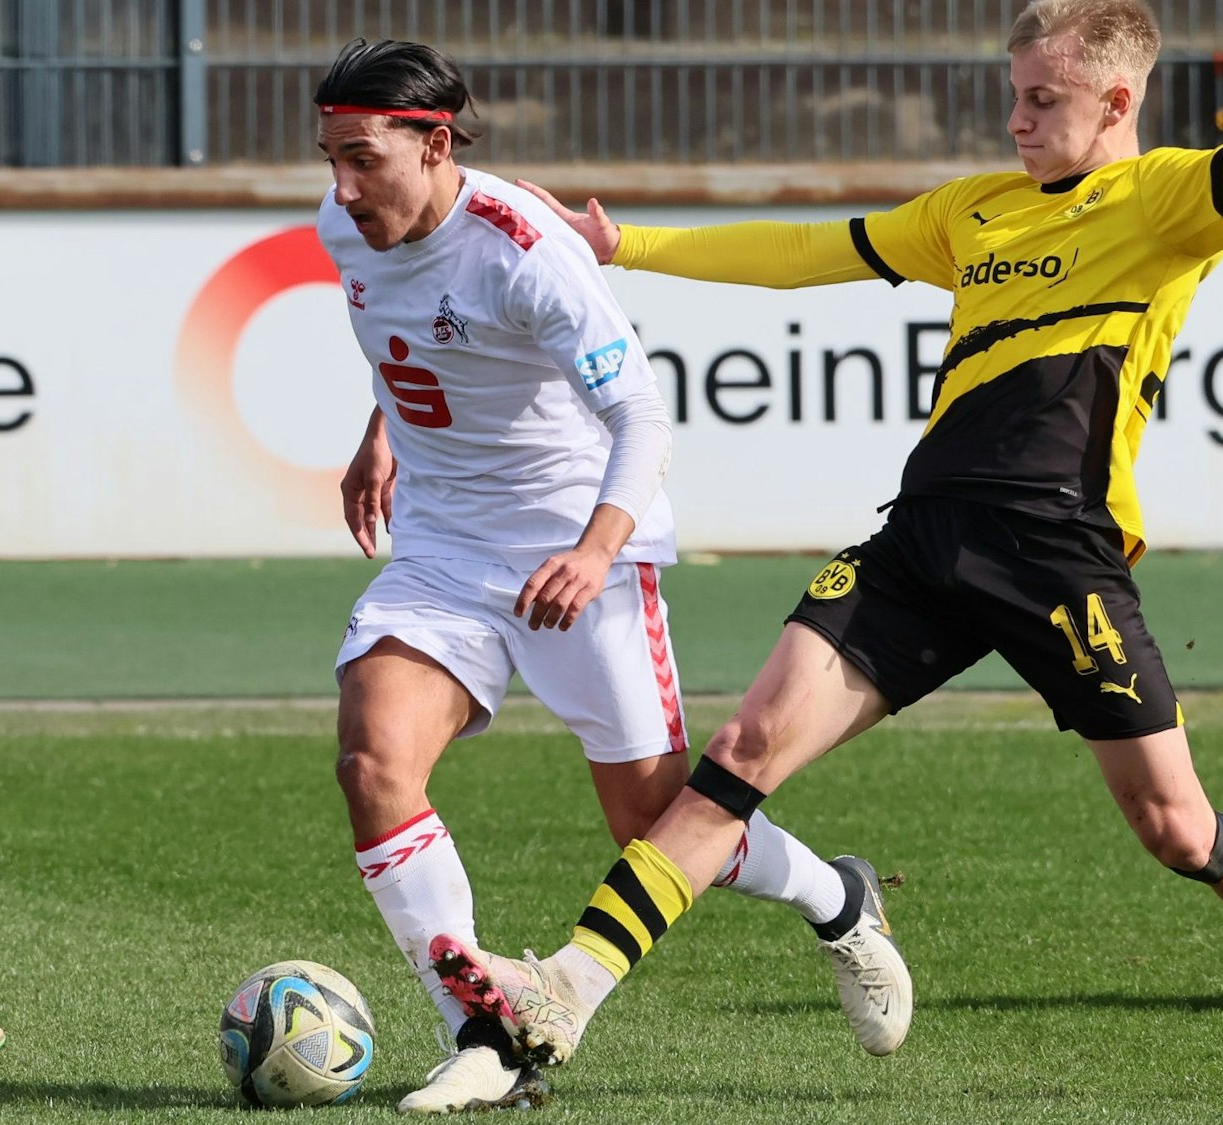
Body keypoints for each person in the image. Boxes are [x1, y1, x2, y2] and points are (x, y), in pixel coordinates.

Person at [428, 1, 1223, 1097]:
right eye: (1014, 94)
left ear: (1115, 102)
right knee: (742, 747)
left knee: (1176, 828)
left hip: (1057, 556)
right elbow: (807, 252)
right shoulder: (973, 211)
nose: (1017, 120)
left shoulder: (1164, 199)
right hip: (923, 537)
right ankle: (566, 987)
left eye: (1044, 99)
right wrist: (621, 246)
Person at [310, 38, 911, 1115]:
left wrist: (593, 550)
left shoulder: (527, 249)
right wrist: (383, 431)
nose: (341, 188)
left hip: (576, 556)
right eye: (330, 159)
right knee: (371, 761)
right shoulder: (342, 223)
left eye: (361, 159)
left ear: (435, 143)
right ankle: (486, 1034)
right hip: (444, 550)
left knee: (658, 828)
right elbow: (410, 341)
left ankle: (837, 897)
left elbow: (638, 413)